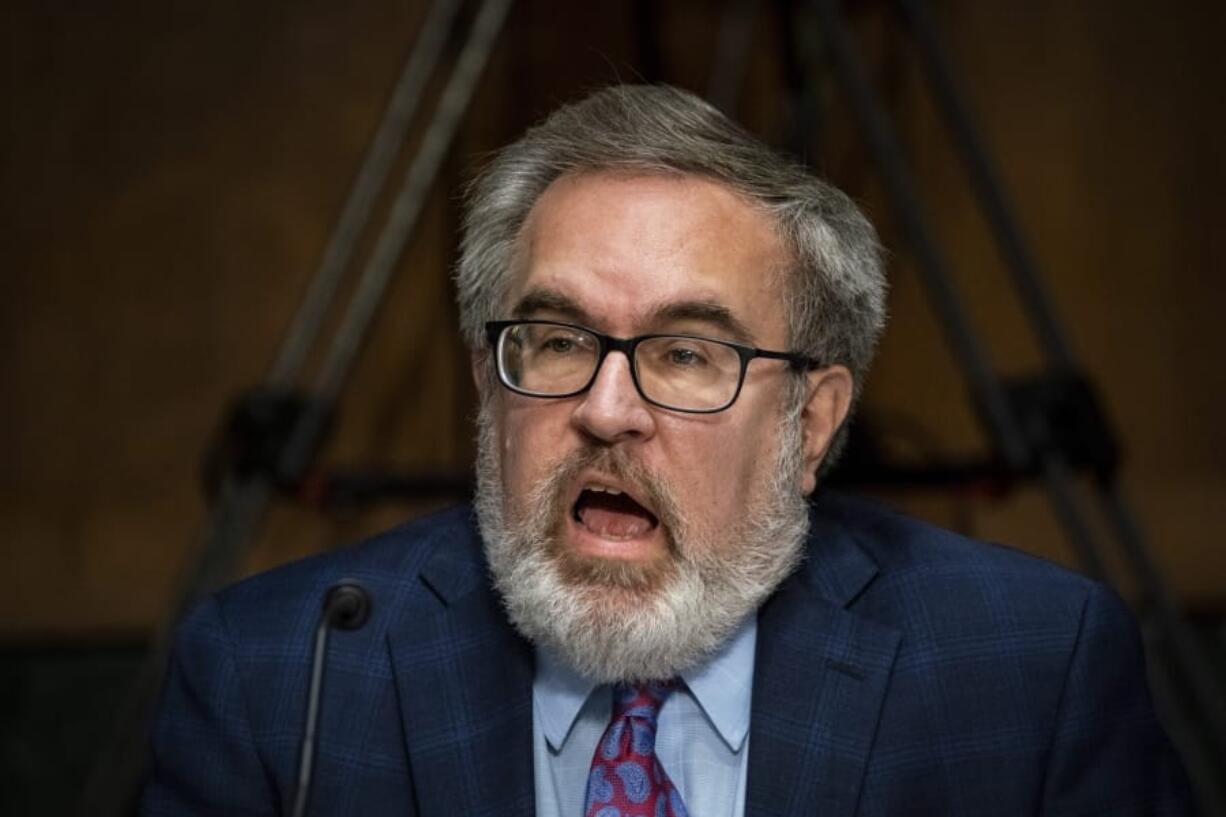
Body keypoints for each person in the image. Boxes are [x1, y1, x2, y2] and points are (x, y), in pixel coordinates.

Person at [142, 85, 1191, 816]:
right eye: (554, 342)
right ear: (483, 384)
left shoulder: (1025, 672)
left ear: (811, 422)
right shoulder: (286, 677)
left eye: (685, 354)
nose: (605, 409)